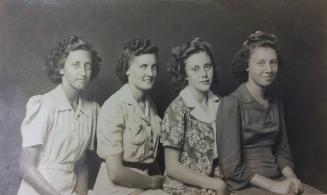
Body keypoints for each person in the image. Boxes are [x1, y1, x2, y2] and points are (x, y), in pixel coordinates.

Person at [216, 31, 323, 195]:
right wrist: (274, 187)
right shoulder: (231, 104)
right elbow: (231, 167)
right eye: (261, 63)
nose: (269, 69)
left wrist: (292, 179)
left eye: (273, 63)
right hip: (246, 186)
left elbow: (282, 151)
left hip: (278, 179)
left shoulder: (275, 102)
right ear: (247, 65)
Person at [17, 35, 101, 195]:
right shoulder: (44, 105)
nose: (83, 72)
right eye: (76, 65)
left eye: (87, 66)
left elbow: (81, 162)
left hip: (70, 188)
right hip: (40, 189)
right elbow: (25, 167)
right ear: (61, 68)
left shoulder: (90, 111)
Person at [93, 38, 167, 195]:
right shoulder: (114, 106)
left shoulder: (150, 105)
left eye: (154, 67)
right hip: (115, 189)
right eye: (143, 67)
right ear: (127, 70)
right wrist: (153, 182)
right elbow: (115, 173)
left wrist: (160, 181)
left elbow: (150, 160)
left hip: (144, 185)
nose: (150, 73)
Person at [160, 37, 228, 195]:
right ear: (184, 74)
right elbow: (172, 166)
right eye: (195, 69)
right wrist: (213, 184)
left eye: (207, 66)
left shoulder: (223, 104)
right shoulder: (177, 108)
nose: (204, 74)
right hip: (183, 186)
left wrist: (218, 184)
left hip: (218, 182)